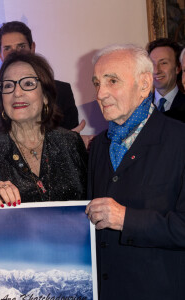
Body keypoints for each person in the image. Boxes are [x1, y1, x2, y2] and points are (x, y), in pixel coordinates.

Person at [86, 44, 185, 300]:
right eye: (97, 83)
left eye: (112, 81)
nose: (100, 93)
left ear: (143, 85)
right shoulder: (99, 145)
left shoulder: (180, 140)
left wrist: (126, 219)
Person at [0, 52, 87, 206]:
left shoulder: (71, 143)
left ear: (45, 96)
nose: (17, 93)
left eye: (28, 84)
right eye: (8, 85)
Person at [0, 21, 79, 134]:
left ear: (32, 48)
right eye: (7, 48)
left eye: (21, 46)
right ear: (0, 54)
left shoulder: (62, 91)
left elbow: (72, 139)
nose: (15, 53)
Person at [147, 37, 185, 121]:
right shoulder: (140, 107)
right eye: (152, 64)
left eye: (163, 63)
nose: (156, 70)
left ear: (178, 68)